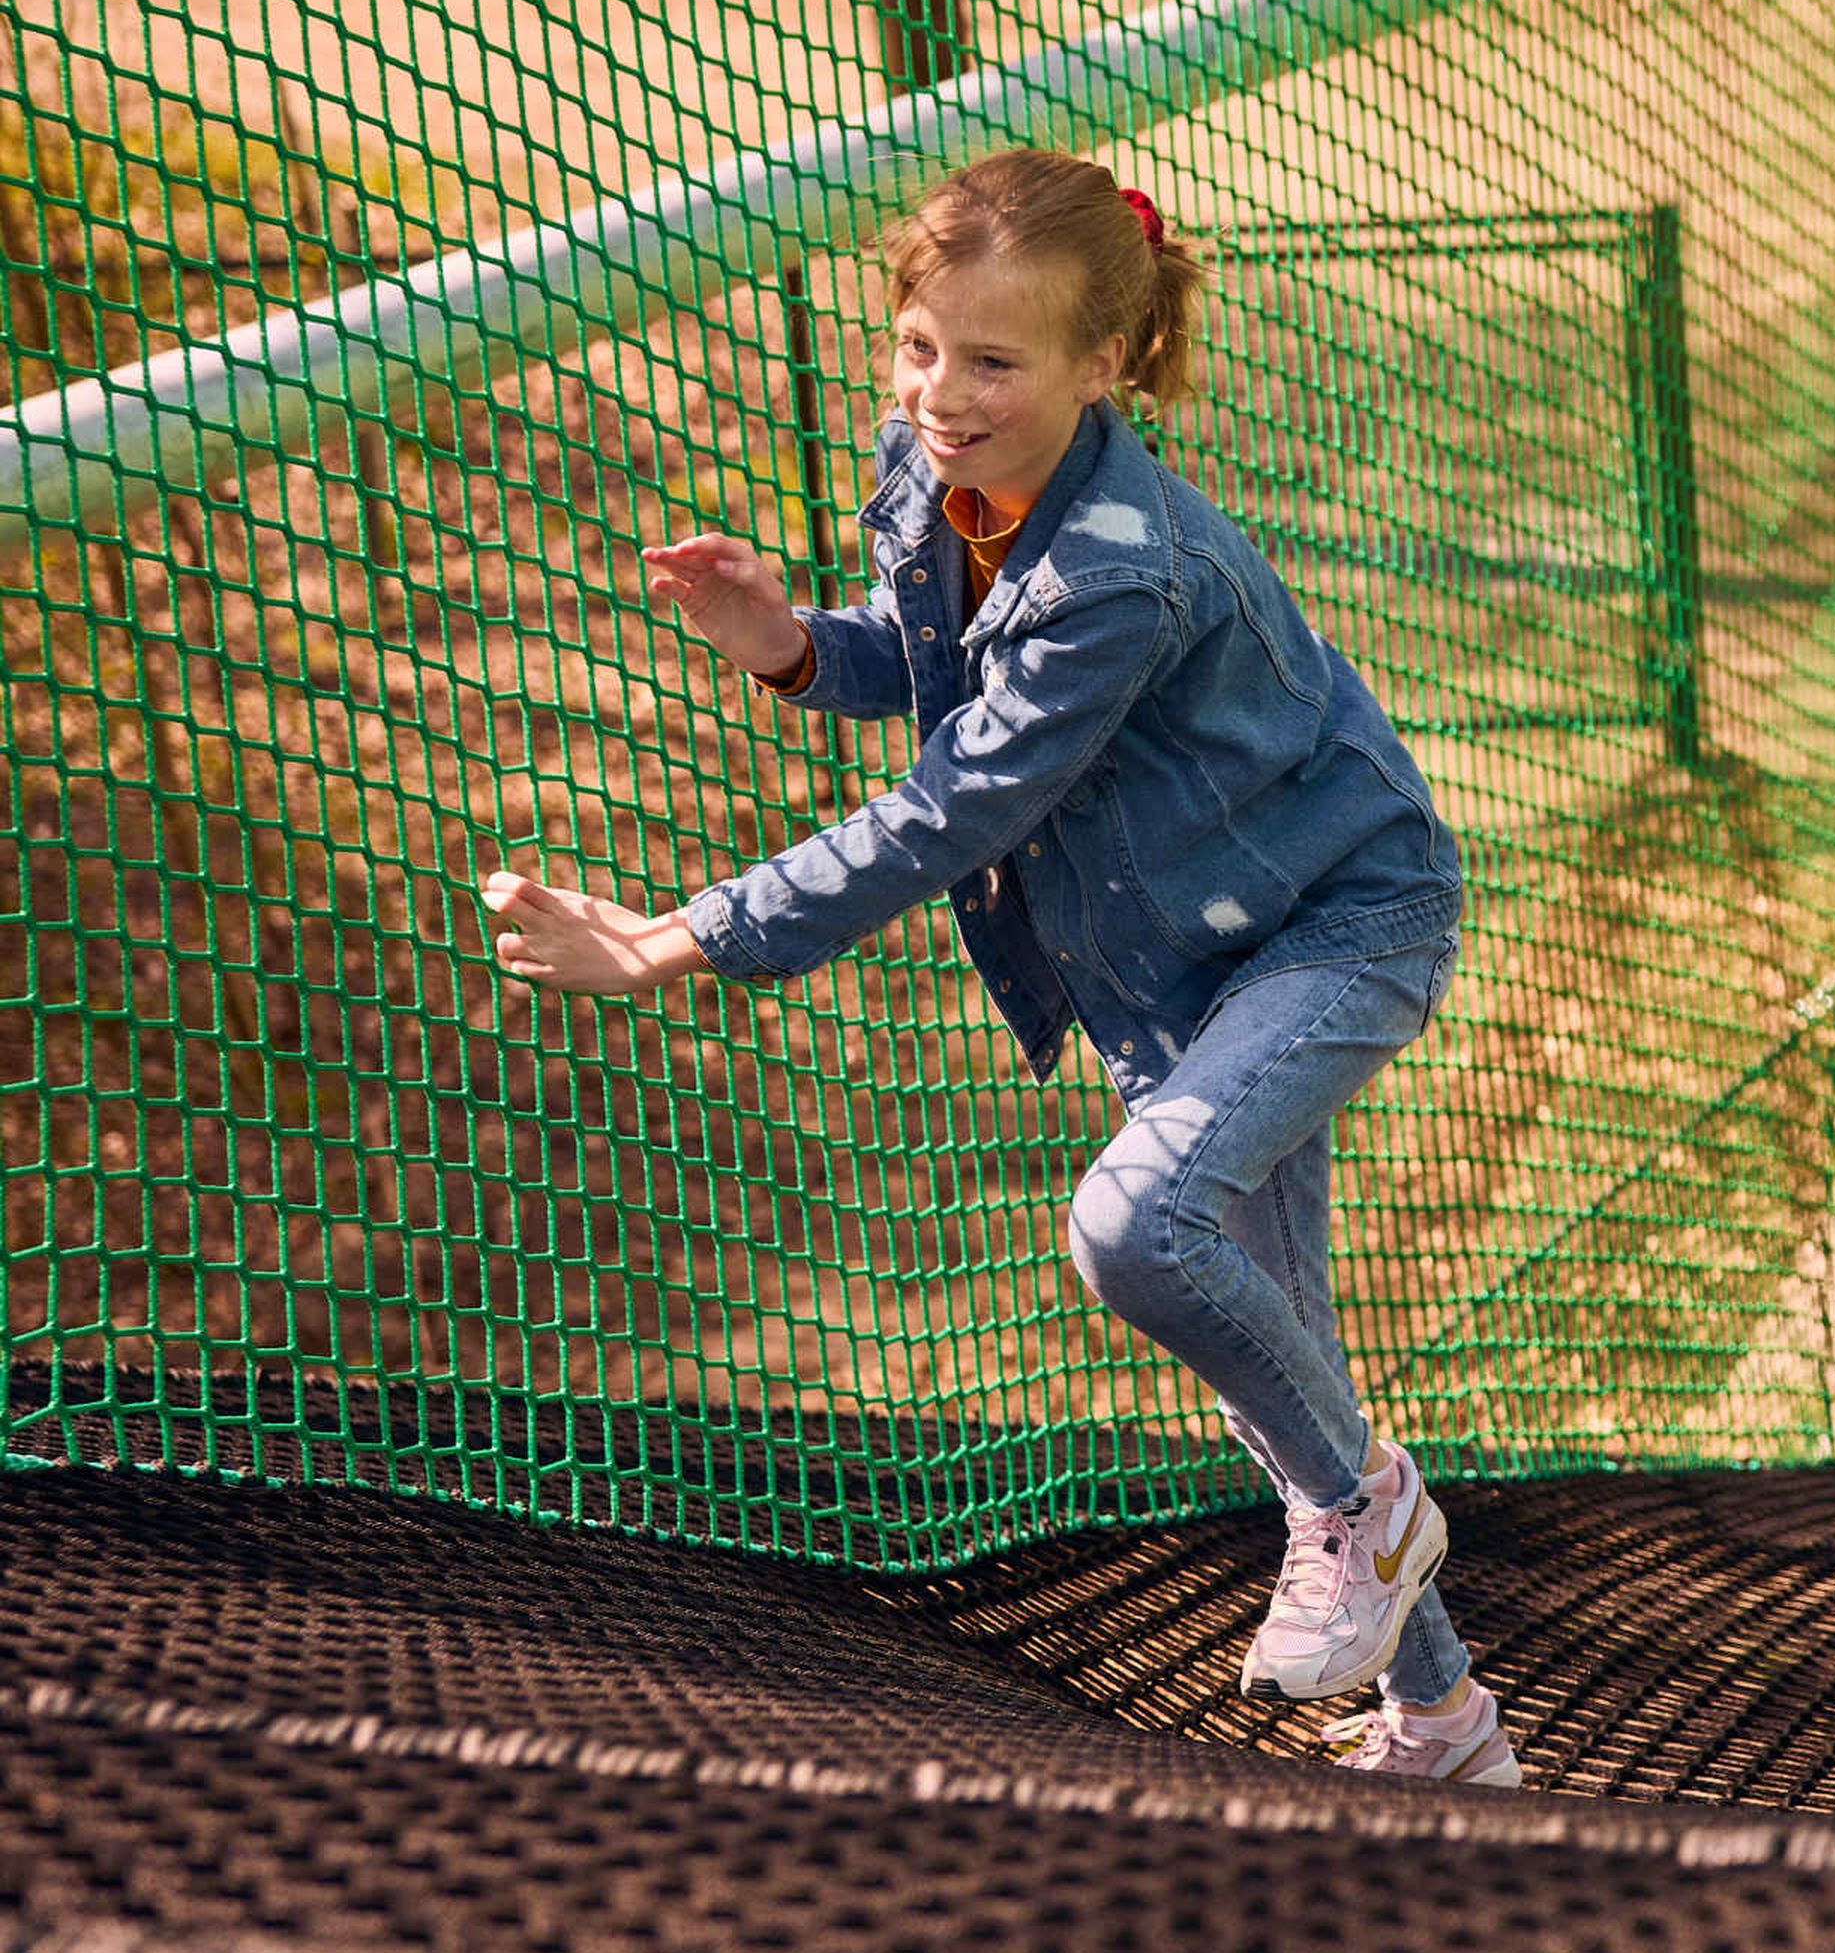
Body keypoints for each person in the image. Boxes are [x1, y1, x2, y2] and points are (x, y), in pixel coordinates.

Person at [479, 151, 1520, 1787]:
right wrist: (794, 646)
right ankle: (1446, 1722)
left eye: (993, 362)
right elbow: (946, 663)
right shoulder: (934, 467)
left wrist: (683, 936)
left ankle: (1369, 1508)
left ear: (1103, 366)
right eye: (917, 346)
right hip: (1174, 962)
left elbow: (954, 808)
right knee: (1276, 1350)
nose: (940, 396)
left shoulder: (1121, 565)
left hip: (1337, 919)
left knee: (1131, 1225)